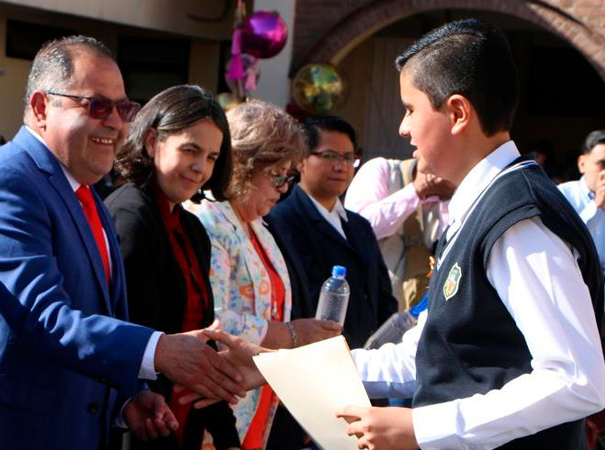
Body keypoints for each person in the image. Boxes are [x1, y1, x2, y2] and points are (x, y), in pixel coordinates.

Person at [206, 18, 605, 450]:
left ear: (457, 113)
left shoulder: (519, 220)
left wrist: (421, 428)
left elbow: (575, 380)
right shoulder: (488, 206)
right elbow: (430, 354)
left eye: (411, 108)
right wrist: (278, 368)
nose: (402, 127)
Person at [0, 36, 244, 450]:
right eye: (97, 106)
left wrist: (126, 396)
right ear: (42, 107)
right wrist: (160, 350)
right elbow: (45, 318)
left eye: (124, 108)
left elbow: (94, 316)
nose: (116, 123)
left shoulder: (83, 192)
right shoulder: (4, 186)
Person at [186, 100, 342, 449]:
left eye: (288, 177)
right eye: (277, 176)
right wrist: (291, 334)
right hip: (215, 410)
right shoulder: (207, 220)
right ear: (242, 164)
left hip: (255, 408)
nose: (284, 188)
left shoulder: (258, 224)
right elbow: (212, 319)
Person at [105, 84, 240, 450]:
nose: (200, 168)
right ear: (152, 142)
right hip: (144, 420)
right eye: (190, 150)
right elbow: (131, 337)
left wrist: (227, 438)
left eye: (212, 157)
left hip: (186, 418)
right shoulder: (130, 216)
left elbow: (202, 336)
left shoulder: (191, 226)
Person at [268, 115, 398, 350]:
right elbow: (300, 300)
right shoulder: (282, 220)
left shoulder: (359, 225)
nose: (341, 166)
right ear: (300, 161)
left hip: (368, 361)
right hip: (318, 358)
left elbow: (382, 296)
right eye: (329, 156)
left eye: (349, 158)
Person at [344, 155, 453, 309]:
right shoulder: (383, 170)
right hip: (371, 305)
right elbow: (359, 229)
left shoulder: (454, 193)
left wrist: (450, 197)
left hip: (422, 310)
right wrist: (415, 191)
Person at [558, 129, 605, 291]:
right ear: (582, 164)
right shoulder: (562, 195)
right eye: (602, 164)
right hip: (575, 287)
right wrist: (596, 206)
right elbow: (562, 244)